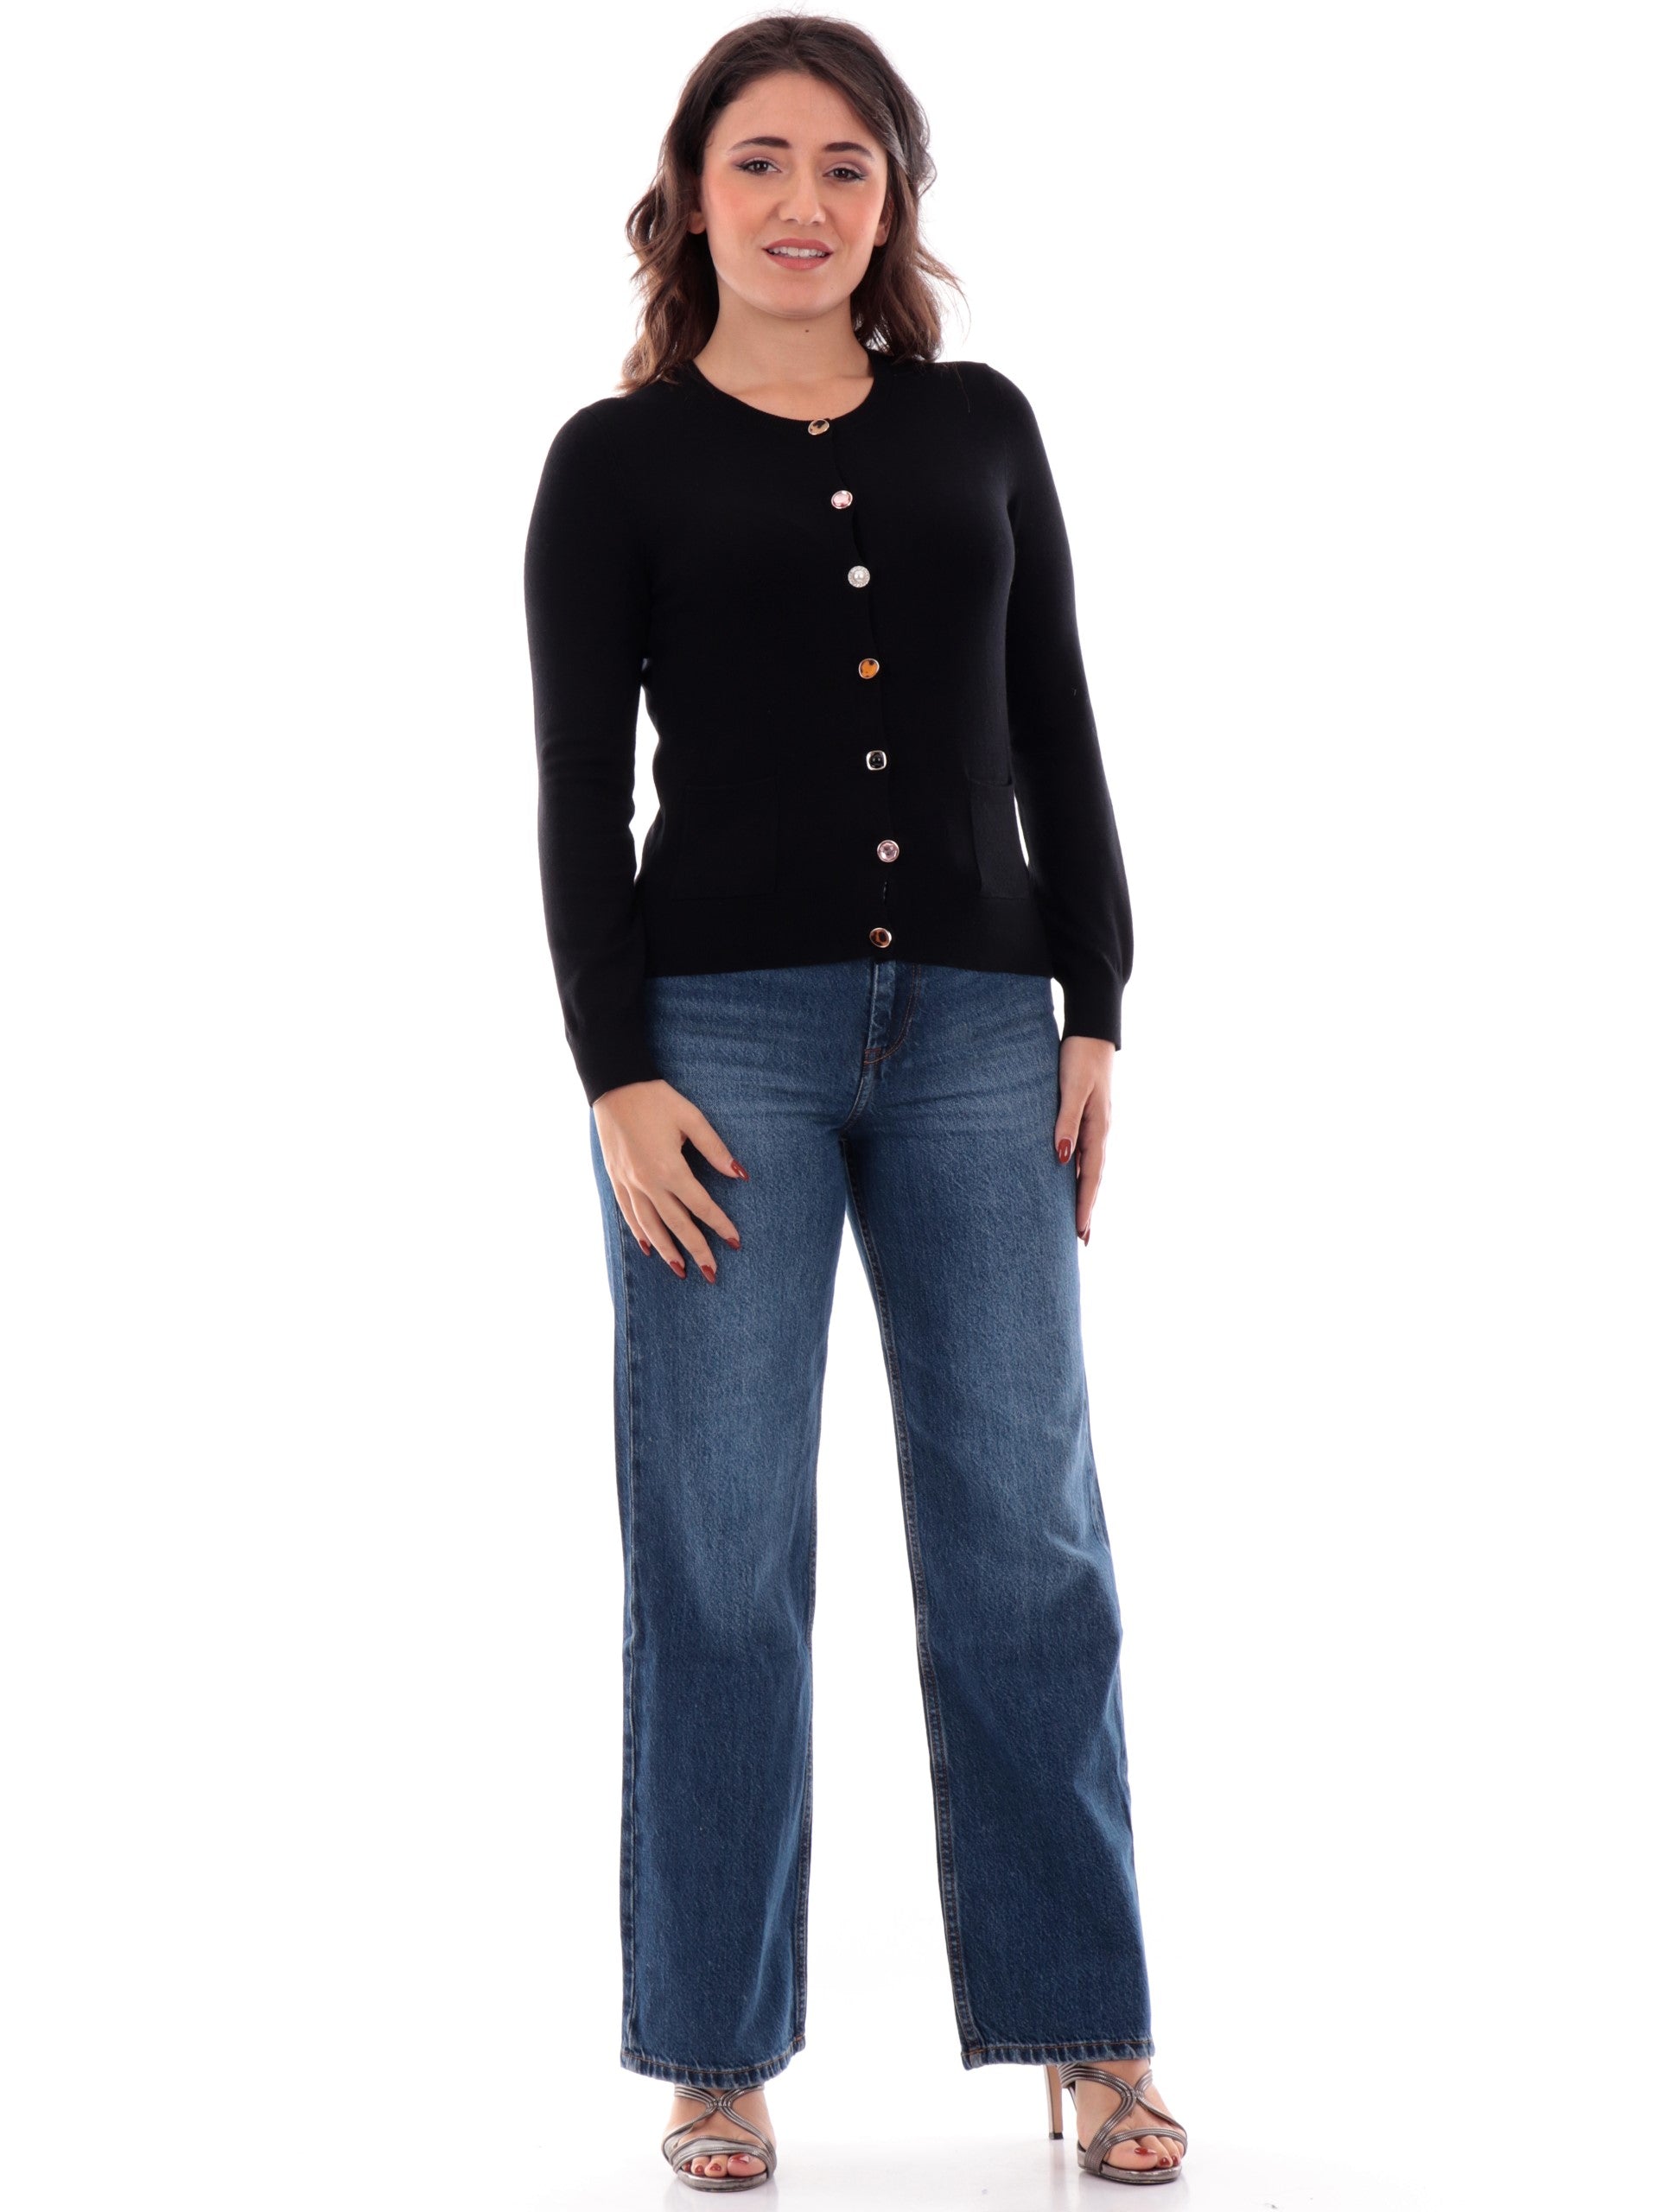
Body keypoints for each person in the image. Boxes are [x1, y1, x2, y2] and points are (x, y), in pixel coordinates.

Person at [522, 13, 1188, 2190]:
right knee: (718, 1553)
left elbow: (1057, 722)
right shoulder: (612, 465)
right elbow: (576, 793)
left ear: (893, 201)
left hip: (989, 1035)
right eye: (759, 161)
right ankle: (713, 2048)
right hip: (718, 1051)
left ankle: (1090, 2026)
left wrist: (1098, 1000)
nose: (801, 201)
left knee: (1028, 1536)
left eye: (845, 165)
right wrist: (617, 1068)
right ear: (690, 195)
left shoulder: (980, 426)